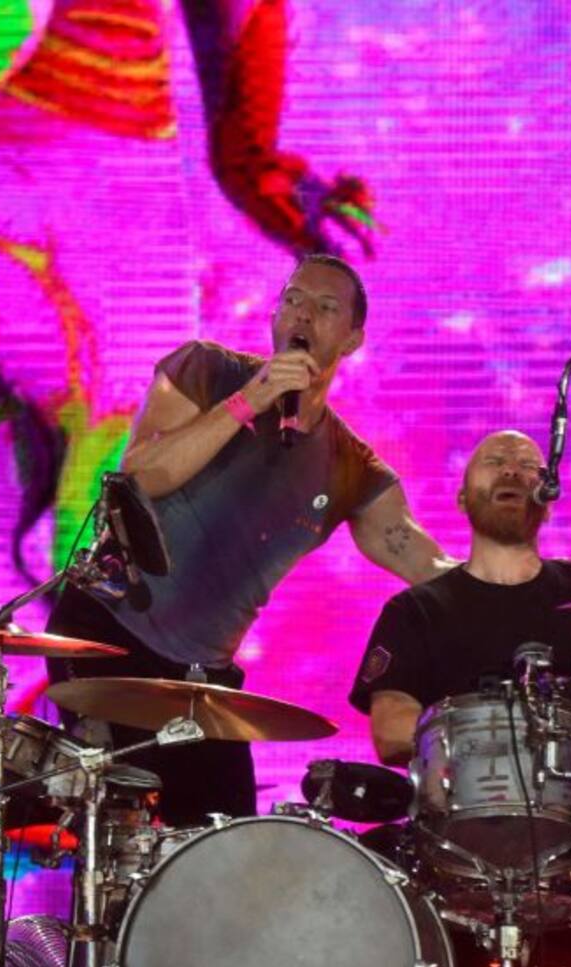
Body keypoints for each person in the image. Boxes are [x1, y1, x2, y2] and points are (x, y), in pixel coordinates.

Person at [47, 254, 449, 826]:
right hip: (107, 637)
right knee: (118, 822)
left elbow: (418, 554)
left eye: (326, 307)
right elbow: (143, 475)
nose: (303, 314)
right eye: (293, 300)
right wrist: (249, 401)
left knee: (224, 842)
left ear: (353, 339)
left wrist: (525, 579)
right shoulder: (207, 369)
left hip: (201, 678)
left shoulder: (349, 465)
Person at [348, 429, 571, 967]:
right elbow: (389, 730)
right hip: (447, 840)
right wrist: (502, 725)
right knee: (374, 866)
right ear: (462, 496)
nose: (512, 471)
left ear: (547, 495)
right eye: (494, 461)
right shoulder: (417, 610)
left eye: (527, 465)